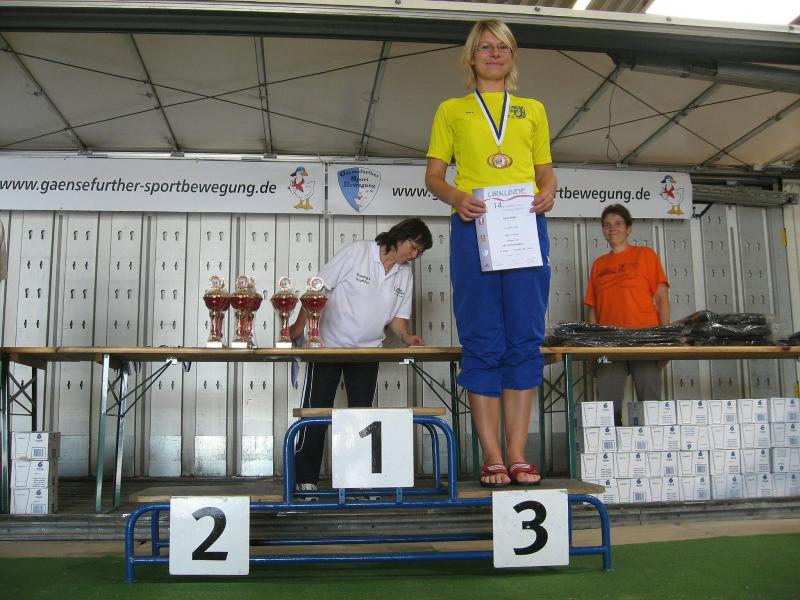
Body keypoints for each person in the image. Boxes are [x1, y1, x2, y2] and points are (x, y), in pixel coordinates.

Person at [424, 20, 556, 487]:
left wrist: (548, 191)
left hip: (524, 225)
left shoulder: (533, 110)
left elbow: (545, 171)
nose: (494, 54)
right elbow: (434, 176)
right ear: (471, 57)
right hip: (473, 224)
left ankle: (518, 454)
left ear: (512, 56)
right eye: (485, 47)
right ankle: (492, 456)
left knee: (524, 338)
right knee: (482, 339)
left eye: (502, 47)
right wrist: (457, 197)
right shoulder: (451, 110)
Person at [289, 217, 432, 493]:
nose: (414, 256)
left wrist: (407, 337)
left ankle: (358, 481)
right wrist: (297, 328)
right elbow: (317, 290)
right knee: (315, 413)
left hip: (368, 351)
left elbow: (398, 319)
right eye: (413, 247)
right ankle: (304, 480)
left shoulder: (405, 274)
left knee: (361, 419)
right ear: (399, 237)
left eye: (419, 252)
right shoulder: (359, 252)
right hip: (328, 347)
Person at [584, 203, 671, 424]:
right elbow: (593, 310)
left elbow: (662, 299)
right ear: (603, 231)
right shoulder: (598, 265)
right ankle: (611, 444)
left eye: (618, 223)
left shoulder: (646, 255)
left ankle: (653, 442)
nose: (612, 228)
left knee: (650, 403)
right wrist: (593, 350)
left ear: (629, 228)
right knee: (607, 407)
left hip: (645, 339)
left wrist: (666, 342)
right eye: (607, 225)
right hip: (609, 344)